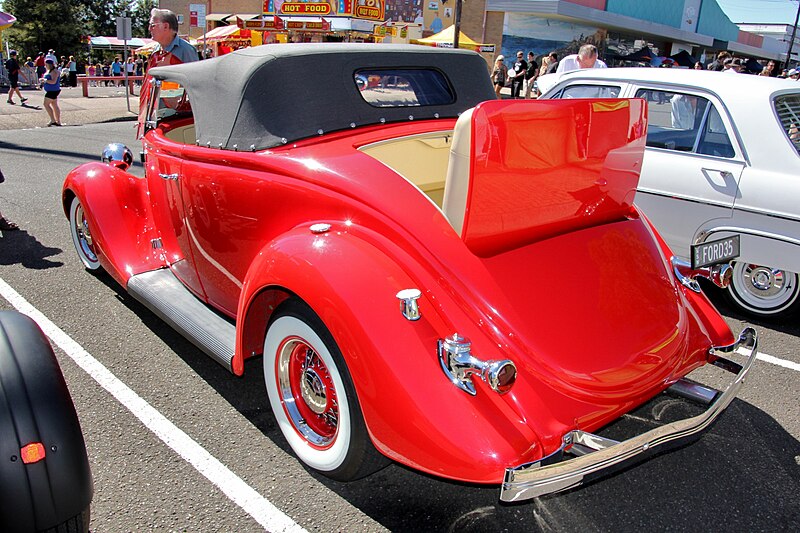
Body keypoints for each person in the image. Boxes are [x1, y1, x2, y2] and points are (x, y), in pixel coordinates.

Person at [40, 59, 62, 126]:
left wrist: (45, 80)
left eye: (46, 64)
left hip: (53, 90)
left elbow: (53, 81)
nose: (45, 65)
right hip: (52, 90)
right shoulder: (50, 71)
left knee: (46, 104)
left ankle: (53, 120)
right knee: (54, 105)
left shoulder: (54, 72)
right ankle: (57, 121)